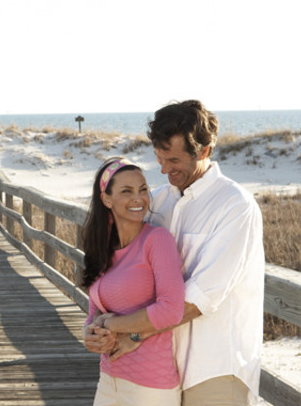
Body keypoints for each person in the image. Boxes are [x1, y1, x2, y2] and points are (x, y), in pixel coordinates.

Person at [112, 100, 265, 406]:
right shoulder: (158, 201)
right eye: (158, 158)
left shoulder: (235, 206)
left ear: (204, 151)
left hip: (216, 369)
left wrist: (128, 331)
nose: (164, 169)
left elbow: (198, 300)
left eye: (173, 160)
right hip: (160, 364)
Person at [81, 157, 186, 405]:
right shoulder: (102, 249)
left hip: (149, 386)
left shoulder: (157, 240)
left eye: (143, 190)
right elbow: (94, 314)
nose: (138, 198)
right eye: (126, 191)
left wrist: (114, 324)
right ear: (107, 199)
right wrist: (90, 335)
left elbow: (172, 310)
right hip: (108, 379)